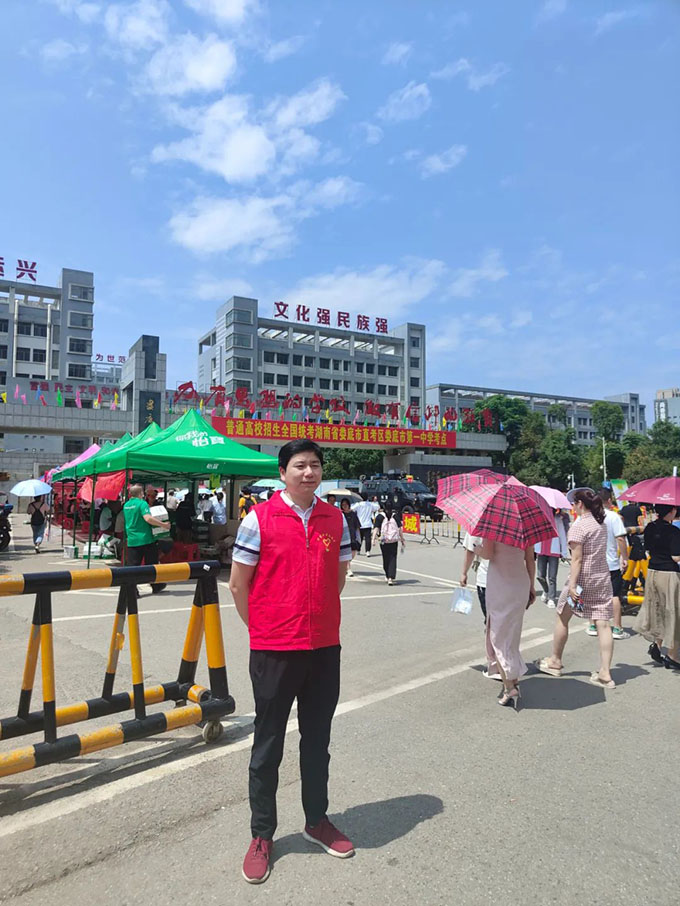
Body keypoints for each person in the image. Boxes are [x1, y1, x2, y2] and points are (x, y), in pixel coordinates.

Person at [230, 440, 354, 884]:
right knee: (268, 745)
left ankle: (316, 820)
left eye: (315, 465)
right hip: (274, 649)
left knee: (317, 741)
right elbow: (238, 584)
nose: (309, 472)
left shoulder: (335, 519)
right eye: (299, 465)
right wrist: (264, 628)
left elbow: (337, 577)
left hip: (323, 648)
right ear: (282, 472)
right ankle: (262, 835)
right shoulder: (258, 519)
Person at [538, 489, 615, 689]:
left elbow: (577, 560)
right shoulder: (601, 524)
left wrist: (572, 585)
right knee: (603, 622)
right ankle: (605, 672)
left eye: (573, 503)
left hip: (581, 582)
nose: (572, 507)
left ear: (580, 504)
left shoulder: (578, 527)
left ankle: (555, 661)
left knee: (563, 616)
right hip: (601, 578)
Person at [476, 536, 536, 708]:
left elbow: (487, 554)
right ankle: (513, 677)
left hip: (500, 585)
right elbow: (530, 559)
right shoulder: (525, 530)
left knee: (498, 637)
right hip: (520, 584)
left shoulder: (493, 530)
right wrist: (531, 586)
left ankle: (509, 687)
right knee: (512, 635)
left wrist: (477, 547)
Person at [633, 504, 680, 670]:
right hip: (669, 574)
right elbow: (676, 557)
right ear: (672, 511)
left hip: (653, 572)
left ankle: (657, 645)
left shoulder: (650, 527)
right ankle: (673, 656)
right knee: (673, 612)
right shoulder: (673, 531)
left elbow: (648, 548)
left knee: (657, 609)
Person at [594, 488, 629, 640]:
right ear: (609, 500)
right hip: (610, 563)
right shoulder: (613, 516)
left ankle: (593, 625)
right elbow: (620, 539)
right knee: (614, 595)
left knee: (595, 594)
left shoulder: (589, 516)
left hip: (594, 563)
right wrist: (625, 558)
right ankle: (617, 627)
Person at [123, 484, 168, 594]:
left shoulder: (126, 505)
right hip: (145, 539)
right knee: (151, 564)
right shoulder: (142, 504)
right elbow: (147, 518)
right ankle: (156, 585)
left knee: (133, 566)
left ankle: (132, 589)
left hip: (132, 539)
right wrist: (163, 524)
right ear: (141, 493)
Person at [534, 509, 569, 608]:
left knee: (552, 577)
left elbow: (562, 535)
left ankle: (551, 598)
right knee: (540, 575)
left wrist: (564, 552)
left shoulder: (557, 520)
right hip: (541, 549)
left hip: (554, 550)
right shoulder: (539, 518)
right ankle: (546, 590)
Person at [372, 504, 405, 585]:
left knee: (385, 557)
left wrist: (373, 539)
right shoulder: (395, 516)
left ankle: (387, 575)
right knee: (393, 557)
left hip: (384, 540)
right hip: (393, 540)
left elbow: (376, 528)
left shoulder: (380, 516)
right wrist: (402, 539)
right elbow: (400, 528)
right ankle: (391, 577)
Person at [460, 532, 488, 622]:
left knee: (491, 620)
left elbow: (471, 549)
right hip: (511, 581)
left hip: (486, 580)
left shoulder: (479, 525)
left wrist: (464, 573)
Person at [339, 497, 361, 577]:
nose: (344, 506)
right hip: (344, 537)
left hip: (352, 536)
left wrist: (359, 538)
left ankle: (345, 566)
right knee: (346, 553)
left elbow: (357, 527)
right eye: (343, 505)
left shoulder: (353, 514)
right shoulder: (340, 514)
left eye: (346, 504)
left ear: (349, 505)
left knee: (353, 553)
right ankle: (348, 569)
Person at [352, 492, 379, 557]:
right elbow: (377, 507)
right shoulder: (370, 504)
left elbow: (352, 509)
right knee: (368, 539)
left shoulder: (358, 504)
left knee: (359, 538)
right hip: (368, 524)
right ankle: (367, 551)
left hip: (360, 524)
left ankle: (358, 550)